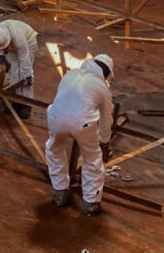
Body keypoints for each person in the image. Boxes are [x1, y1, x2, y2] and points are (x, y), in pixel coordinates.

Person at [45, 53, 114, 215]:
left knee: (54, 149)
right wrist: (104, 141)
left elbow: (62, 98)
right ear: (105, 74)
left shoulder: (70, 75)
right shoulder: (102, 87)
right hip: (82, 123)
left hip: (56, 117)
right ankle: (91, 203)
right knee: (92, 158)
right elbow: (106, 118)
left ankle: (60, 192)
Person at [0, 19, 38, 119]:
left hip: (28, 42)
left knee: (23, 76)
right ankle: (15, 102)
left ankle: (26, 105)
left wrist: (28, 76)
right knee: (14, 71)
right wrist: (2, 59)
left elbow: (24, 59)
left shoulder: (18, 39)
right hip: (13, 43)